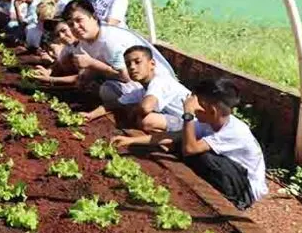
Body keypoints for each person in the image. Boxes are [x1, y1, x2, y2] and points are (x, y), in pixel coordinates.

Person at [112, 78, 266, 210]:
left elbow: (189, 149)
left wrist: (188, 115)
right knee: (184, 141)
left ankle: (232, 202)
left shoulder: (235, 131)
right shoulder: (209, 121)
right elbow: (173, 136)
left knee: (198, 153)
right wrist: (131, 140)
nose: (195, 112)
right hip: (229, 172)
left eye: (198, 108)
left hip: (245, 188)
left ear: (212, 111)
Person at [61, 0, 172, 108]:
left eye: (79, 20)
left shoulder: (110, 40)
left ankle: (129, 112)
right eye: (71, 24)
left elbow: (127, 77)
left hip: (157, 85)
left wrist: (91, 64)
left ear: (94, 17)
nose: (75, 27)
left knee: (107, 90)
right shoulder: (85, 41)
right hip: (137, 81)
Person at [83, 45, 190, 131]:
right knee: (136, 116)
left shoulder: (160, 81)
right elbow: (114, 104)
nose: (132, 67)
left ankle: (169, 143)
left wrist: (134, 110)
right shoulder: (141, 90)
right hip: (182, 121)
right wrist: (91, 115)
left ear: (152, 64)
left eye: (137, 62)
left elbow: (145, 108)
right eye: (128, 64)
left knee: (146, 120)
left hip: (192, 123)